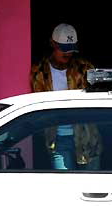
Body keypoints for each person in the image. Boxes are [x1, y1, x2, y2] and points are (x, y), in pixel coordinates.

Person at [30, 23, 102, 170]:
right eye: (63, 49)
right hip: (57, 139)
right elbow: (39, 105)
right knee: (63, 185)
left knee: (91, 187)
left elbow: (98, 99)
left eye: (71, 50)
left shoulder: (85, 68)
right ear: (52, 43)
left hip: (87, 137)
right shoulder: (39, 71)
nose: (68, 54)